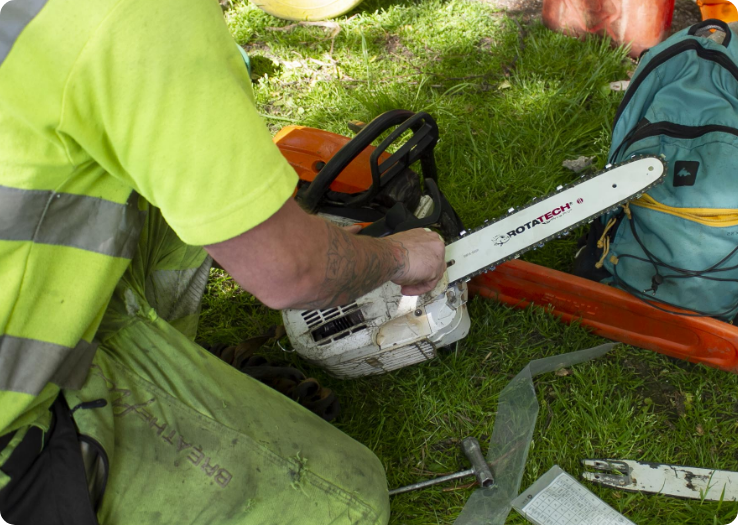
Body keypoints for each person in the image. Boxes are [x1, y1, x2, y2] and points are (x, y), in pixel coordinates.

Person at [0, 0, 447, 523]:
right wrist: (397, 257)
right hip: (14, 425)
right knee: (348, 503)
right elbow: (292, 271)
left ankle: (168, 365)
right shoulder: (140, 15)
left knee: (178, 158)